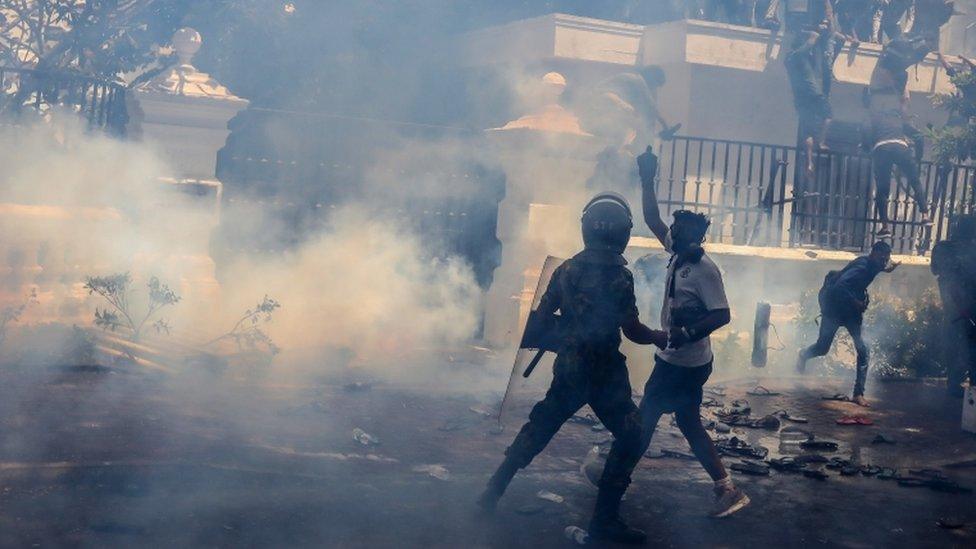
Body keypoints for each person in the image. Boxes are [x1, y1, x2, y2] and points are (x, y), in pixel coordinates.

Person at [477, 192, 667, 544]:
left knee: (539, 428)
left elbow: (543, 319)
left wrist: (565, 334)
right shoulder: (621, 278)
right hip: (606, 374)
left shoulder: (565, 270)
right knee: (632, 436)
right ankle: (605, 520)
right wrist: (658, 337)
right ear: (623, 232)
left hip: (569, 368)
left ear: (587, 229)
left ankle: (491, 493)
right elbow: (632, 330)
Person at [635, 147, 751, 518]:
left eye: (677, 230)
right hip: (678, 358)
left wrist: (684, 334)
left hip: (683, 362)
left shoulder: (703, 270)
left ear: (692, 238)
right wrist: (647, 178)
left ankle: (612, 476)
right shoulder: (678, 254)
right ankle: (726, 488)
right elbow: (651, 218)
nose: (669, 232)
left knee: (645, 418)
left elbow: (723, 314)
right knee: (686, 422)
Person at [796, 241, 899, 406]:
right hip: (835, 311)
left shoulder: (873, 265)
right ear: (873, 253)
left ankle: (858, 394)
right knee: (822, 348)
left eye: (886, 258)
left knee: (863, 349)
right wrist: (856, 302)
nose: (884, 261)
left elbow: (876, 269)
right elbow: (839, 286)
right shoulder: (862, 267)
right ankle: (803, 355)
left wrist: (886, 269)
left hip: (851, 315)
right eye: (882, 257)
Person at [862, 100, 930, 236]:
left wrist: (869, 150)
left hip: (881, 149)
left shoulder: (872, 120)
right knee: (915, 182)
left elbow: (865, 143)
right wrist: (918, 157)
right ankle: (925, 216)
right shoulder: (899, 121)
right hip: (901, 148)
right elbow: (919, 136)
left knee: (882, 190)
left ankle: (885, 227)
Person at [931, 214, 976, 397]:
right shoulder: (971, 251)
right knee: (971, 347)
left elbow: (935, 271)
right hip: (969, 308)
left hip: (951, 307)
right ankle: (972, 386)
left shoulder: (941, 248)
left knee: (954, 345)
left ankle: (954, 384)